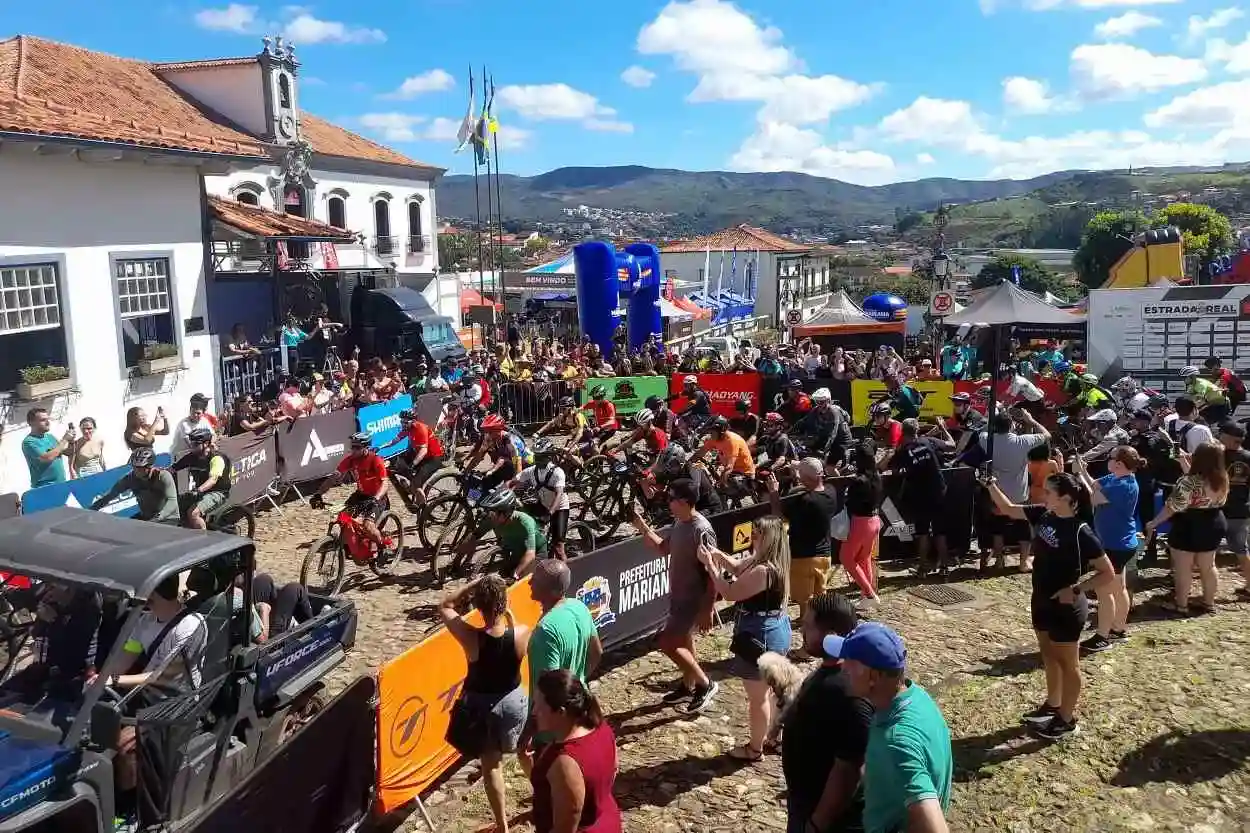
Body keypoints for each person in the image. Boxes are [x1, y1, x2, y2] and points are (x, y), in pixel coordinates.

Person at [986, 472, 1116, 740]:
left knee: (1069, 664)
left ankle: (1066, 720)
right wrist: (990, 484)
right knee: (1048, 655)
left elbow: (1108, 573)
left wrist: (1077, 589)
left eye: (1048, 492)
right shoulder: (1044, 515)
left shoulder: (1081, 532)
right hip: (1041, 598)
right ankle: (1053, 704)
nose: (1042, 495)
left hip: (1067, 606)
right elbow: (1008, 509)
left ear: (1065, 498)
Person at [825, 622, 951, 833]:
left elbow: (935, 829)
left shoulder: (896, 743)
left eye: (850, 661)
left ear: (874, 676)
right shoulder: (918, 697)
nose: (843, 667)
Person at [440, 575, 530, 833]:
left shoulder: (471, 638)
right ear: (505, 603)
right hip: (514, 701)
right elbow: (510, 636)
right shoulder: (521, 633)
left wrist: (474, 584)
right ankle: (543, 796)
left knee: (492, 767)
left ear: (478, 606)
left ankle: (502, 826)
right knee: (524, 751)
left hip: (483, 708)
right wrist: (508, 616)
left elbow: (445, 605)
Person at [698, 516, 792, 761]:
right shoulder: (769, 562)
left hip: (760, 634)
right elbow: (738, 567)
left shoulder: (763, 571)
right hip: (775, 628)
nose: (752, 537)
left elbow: (729, 592)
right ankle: (774, 737)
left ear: (768, 539)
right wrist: (718, 555)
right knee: (772, 692)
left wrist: (710, 566)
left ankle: (755, 749)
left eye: (757, 534)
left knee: (758, 698)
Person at [106, 573, 208, 795]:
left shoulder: (191, 625)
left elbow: (162, 677)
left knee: (125, 745)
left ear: (157, 594)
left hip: (176, 704)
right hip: (147, 697)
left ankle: (134, 803)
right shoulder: (145, 621)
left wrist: (113, 680)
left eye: (146, 596)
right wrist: (102, 678)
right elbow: (125, 658)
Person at [781, 591, 873, 833]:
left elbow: (851, 768)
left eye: (808, 626)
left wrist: (817, 823)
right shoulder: (831, 673)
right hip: (805, 803)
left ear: (830, 635)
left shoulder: (849, 692)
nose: (802, 630)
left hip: (825, 818)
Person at [628, 479, 719, 714]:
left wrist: (708, 608)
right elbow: (663, 548)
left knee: (667, 643)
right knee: (685, 642)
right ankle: (688, 685)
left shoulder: (701, 529)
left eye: (672, 498)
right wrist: (642, 526)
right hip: (678, 596)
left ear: (685, 502)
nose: (668, 502)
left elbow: (712, 571)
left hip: (692, 599)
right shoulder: (680, 523)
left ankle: (705, 684)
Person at [518, 561, 602, 769]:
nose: (529, 582)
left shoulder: (545, 631)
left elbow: (548, 689)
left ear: (552, 590)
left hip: (552, 726)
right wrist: (579, 681)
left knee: (552, 780)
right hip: (576, 711)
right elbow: (597, 652)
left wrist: (530, 730)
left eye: (536, 580)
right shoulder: (579, 607)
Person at [529, 670, 622, 833]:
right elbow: (613, 770)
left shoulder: (565, 762)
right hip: (607, 821)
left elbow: (566, 826)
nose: (534, 712)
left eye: (539, 706)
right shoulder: (602, 728)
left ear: (561, 712)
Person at [1146, 441, 1228, 615]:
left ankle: (1181, 605)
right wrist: (1184, 463)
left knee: (1183, 568)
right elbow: (1199, 485)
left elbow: (1172, 506)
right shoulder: (1222, 478)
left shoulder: (1187, 481)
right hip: (1214, 522)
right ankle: (1209, 603)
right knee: (1208, 566)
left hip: (1189, 524)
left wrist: (1153, 523)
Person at [1071, 447, 1140, 653]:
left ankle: (1102, 637)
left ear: (1119, 463)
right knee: (1119, 588)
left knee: (1104, 591)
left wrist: (1078, 475)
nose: (1107, 460)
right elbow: (1094, 485)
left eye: (1110, 458)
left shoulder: (1123, 486)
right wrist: (1082, 470)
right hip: (1122, 542)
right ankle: (1118, 629)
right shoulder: (1116, 477)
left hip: (1116, 545)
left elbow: (1092, 498)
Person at [979, 408, 1051, 572]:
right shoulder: (1022, 441)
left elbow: (982, 432)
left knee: (997, 529)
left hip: (997, 493)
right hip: (1019, 494)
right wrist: (1030, 420)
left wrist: (991, 420)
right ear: (1011, 425)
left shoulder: (986, 439)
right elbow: (1047, 435)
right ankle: (1023, 562)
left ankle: (999, 561)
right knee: (1023, 528)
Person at [766, 459, 838, 622]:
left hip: (803, 557)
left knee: (805, 600)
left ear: (805, 477)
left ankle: (808, 626)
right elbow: (813, 485)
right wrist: (801, 475)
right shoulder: (830, 492)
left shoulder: (804, 501)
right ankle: (822, 622)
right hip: (825, 554)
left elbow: (779, 517)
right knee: (820, 595)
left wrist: (773, 493)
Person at [887, 419, 949, 577]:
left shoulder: (903, 450)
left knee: (922, 533)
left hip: (921, 496)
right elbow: (951, 445)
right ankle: (944, 568)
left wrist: (904, 468)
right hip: (939, 491)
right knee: (940, 531)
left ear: (903, 432)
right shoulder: (928, 441)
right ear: (917, 430)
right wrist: (943, 428)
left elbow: (892, 469)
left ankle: (923, 569)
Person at [311, 433, 390, 549]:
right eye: (352, 447)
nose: (353, 450)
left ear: (366, 448)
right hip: (361, 495)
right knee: (343, 517)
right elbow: (334, 478)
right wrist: (318, 494)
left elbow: (385, 483)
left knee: (368, 526)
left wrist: (376, 498)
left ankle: (383, 546)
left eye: (357, 447)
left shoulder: (375, 460)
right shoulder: (351, 460)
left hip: (378, 497)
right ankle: (351, 545)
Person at [459, 488, 548, 580]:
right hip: (517, 551)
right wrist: (458, 557)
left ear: (505, 513)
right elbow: (475, 535)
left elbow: (530, 553)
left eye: (493, 512)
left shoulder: (525, 521)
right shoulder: (493, 519)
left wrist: (515, 574)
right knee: (504, 575)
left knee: (521, 580)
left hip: (536, 553)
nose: (489, 515)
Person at [512, 440, 572, 561]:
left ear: (549, 457)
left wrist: (549, 513)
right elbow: (513, 481)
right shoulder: (532, 471)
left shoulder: (557, 472)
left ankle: (566, 570)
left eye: (541, 457)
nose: (537, 460)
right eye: (536, 456)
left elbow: (559, 494)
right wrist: (502, 492)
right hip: (543, 504)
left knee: (559, 548)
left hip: (559, 508)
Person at [842, 440, 883, 604]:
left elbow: (850, 502)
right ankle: (866, 596)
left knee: (846, 558)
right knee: (864, 558)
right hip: (874, 521)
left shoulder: (859, 481)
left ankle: (869, 594)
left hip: (861, 523)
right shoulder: (876, 476)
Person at [90, 448, 179, 523]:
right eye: (135, 467)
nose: (137, 470)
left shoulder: (163, 476)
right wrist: (89, 511)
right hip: (146, 517)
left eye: (141, 468)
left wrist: (158, 518)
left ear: (149, 467)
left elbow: (172, 501)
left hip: (168, 517)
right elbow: (109, 496)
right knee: (125, 528)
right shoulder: (129, 478)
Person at [170, 428, 233, 531]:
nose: (192, 447)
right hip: (201, 492)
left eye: (195, 444)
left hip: (218, 493)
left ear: (206, 444)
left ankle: (203, 539)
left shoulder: (216, 458)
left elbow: (213, 480)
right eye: (191, 443)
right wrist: (158, 472)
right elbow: (173, 469)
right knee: (177, 505)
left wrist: (199, 490)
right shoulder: (192, 457)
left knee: (193, 513)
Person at [380, 409, 445, 507]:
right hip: (421, 455)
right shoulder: (408, 428)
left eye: (406, 422)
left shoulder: (421, 428)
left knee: (415, 482)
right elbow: (394, 441)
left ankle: (422, 506)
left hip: (433, 458)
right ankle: (412, 487)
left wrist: (413, 465)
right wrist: (380, 447)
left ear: (413, 421)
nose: (403, 424)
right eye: (402, 422)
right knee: (398, 463)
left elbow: (423, 451)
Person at [1217, 422, 1250, 600]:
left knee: (1205, 551)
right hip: (1242, 509)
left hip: (1218, 510)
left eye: (1221, 434)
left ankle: (1201, 591)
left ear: (1228, 437)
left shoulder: (1218, 455)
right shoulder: (1248, 456)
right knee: (1242, 550)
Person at [693, 415, 756, 486]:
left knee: (722, 487)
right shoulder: (715, 438)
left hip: (745, 474)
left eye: (712, 432)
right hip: (732, 472)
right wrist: (688, 463)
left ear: (721, 432)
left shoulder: (732, 441)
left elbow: (729, 467)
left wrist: (720, 484)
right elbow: (700, 452)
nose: (710, 434)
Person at [22, 408, 71, 487]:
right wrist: (65, 440)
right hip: (45, 486)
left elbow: (67, 452)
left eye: (48, 419)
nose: (48, 422)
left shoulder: (50, 437)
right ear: (31, 423)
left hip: (61, 483)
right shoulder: (29, 442)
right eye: (43, 420)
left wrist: (71, 441)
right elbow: (46, 458)